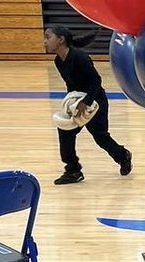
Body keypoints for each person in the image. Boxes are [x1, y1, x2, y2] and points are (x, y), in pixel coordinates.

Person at [44, 25, 132, 185]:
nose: (45, 41)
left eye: (48, 37)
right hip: (79, 103)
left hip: (96, 101)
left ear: (61, 40)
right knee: (65, 131)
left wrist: (86, 103)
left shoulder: (80, 57)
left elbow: (96, 81)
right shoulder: (58, 61)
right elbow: (72, 85)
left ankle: (123, 155)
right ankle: (73, 170)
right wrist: (71, 104)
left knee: (100, 137)